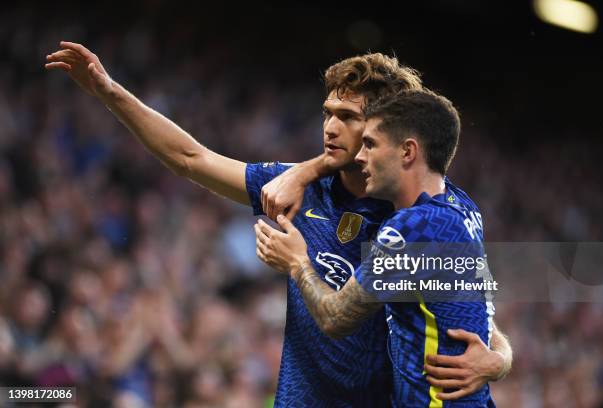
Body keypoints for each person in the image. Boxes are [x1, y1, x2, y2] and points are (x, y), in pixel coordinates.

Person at [46, 43, 510, 406]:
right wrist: (111, 92)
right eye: (327, 112)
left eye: (347, 118)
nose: (329, 127)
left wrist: (500, 359)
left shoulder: (416, 213)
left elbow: (470, 313)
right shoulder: (295, 188)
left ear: (384, 130)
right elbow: (190, 159)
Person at [254, 90, 505, 406]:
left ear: (407, 152)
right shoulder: (462, 208)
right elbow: (483, 312)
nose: (360, 156)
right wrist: (501, 359)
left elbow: (336, 318)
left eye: (370, 144)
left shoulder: (413, 229)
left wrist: (296, 262)